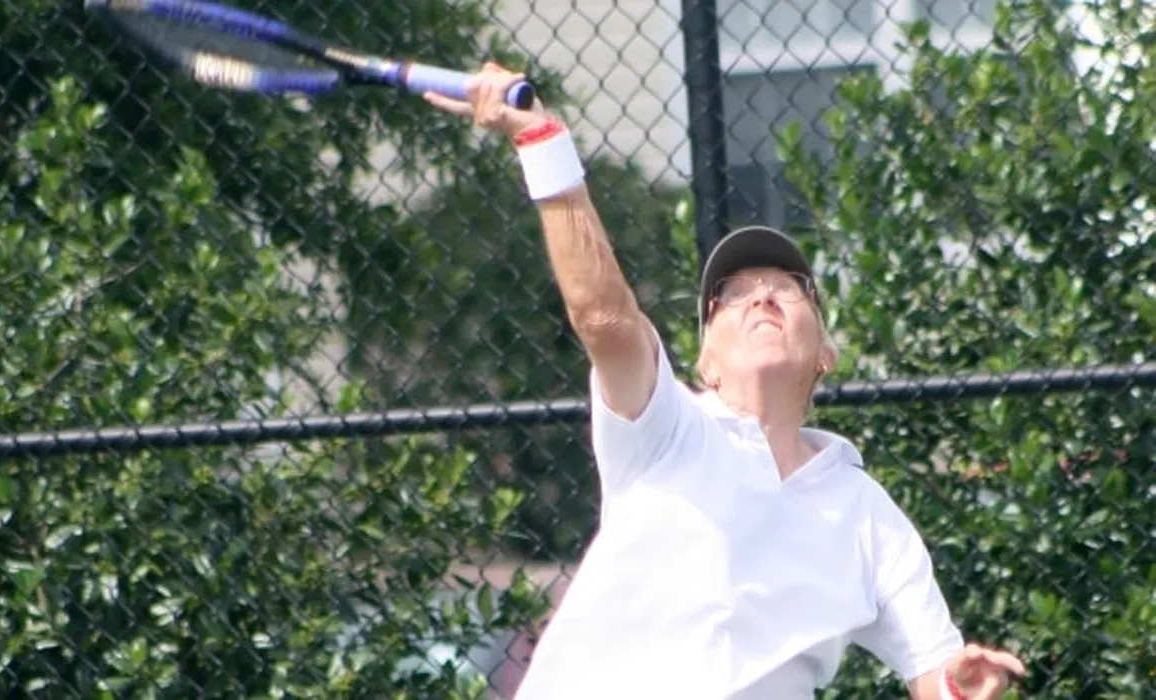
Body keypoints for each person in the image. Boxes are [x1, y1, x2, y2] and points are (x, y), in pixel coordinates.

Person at [424, 63, 1028, 699]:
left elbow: (935, 673)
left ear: (825, 354)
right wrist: (543, 139)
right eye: (732, 296)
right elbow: (604, 318)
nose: (761, 297)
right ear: (706, 363)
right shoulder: (667, 430)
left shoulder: (865, 512)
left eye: (788, 289)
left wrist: (960, 687)